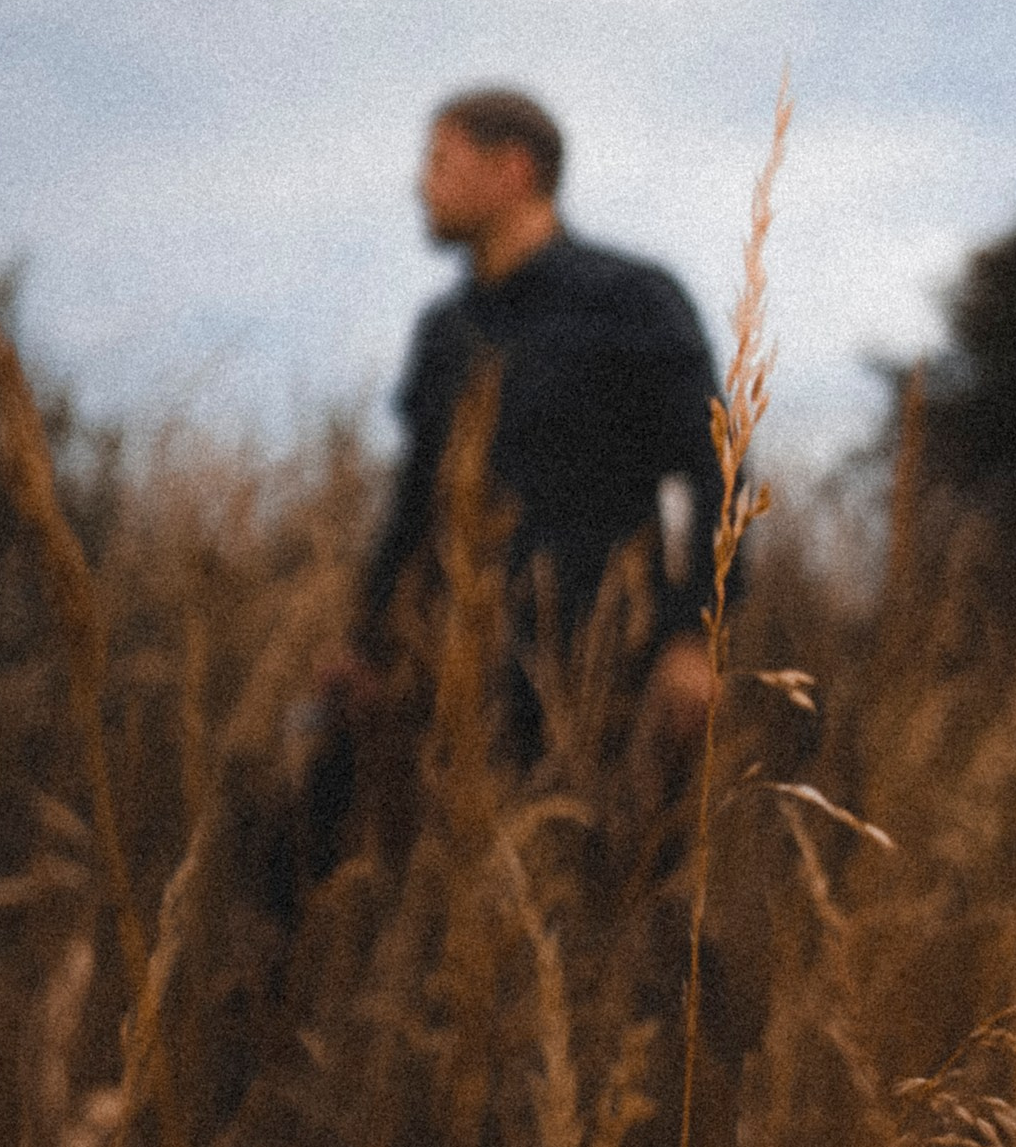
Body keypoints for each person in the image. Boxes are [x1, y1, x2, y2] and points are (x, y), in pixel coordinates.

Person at [298, 87, 729, 882]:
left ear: (513, 170)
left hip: (587, 666)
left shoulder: (629, 298)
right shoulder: (445, 330)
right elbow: (414, 503)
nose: (419, 184)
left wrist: (691, 638)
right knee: (363, 861)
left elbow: (711, 472)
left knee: (590, 887)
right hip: (449, 660)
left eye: (440, 161)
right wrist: (366, 644)